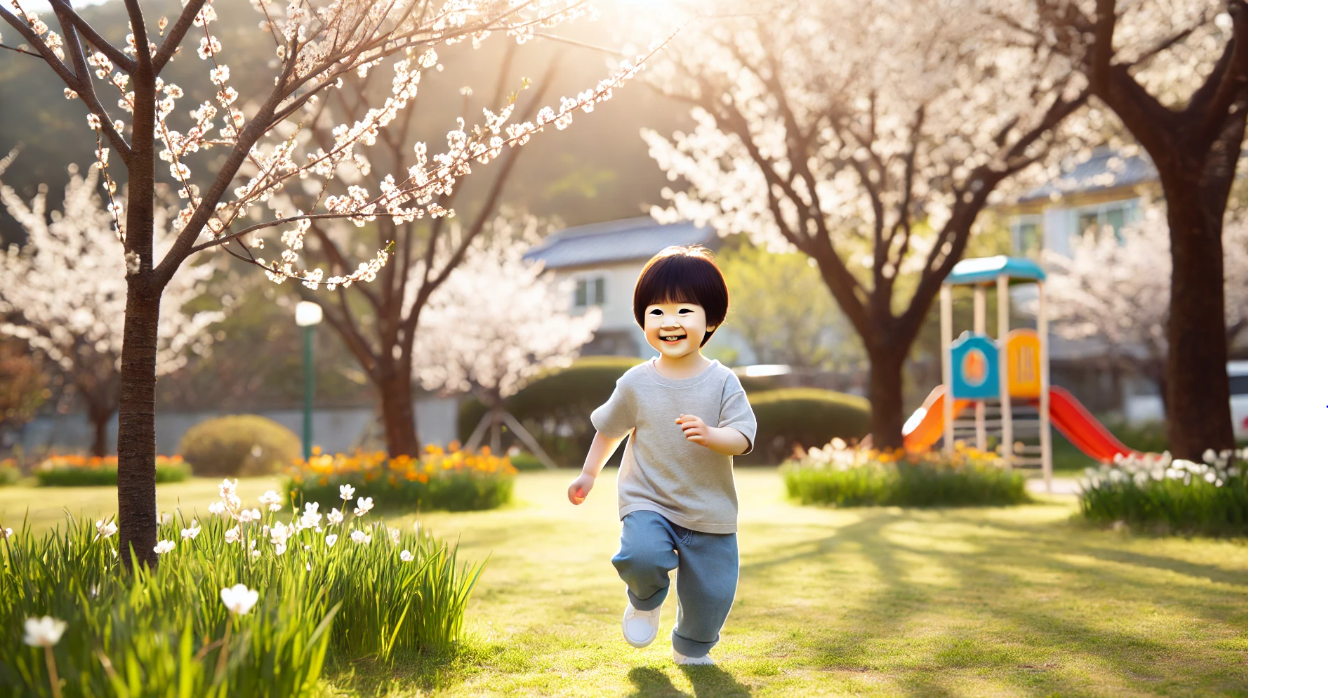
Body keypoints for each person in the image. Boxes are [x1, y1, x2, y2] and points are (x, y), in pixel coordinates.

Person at [566, 244, 757, 666]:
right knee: (640, 555)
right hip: (648, 499)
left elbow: (743, 436)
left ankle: (690, 648)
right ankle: (646, 597)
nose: (670, 322)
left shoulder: (723, 382)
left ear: (711, 320)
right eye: (657, 312)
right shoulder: (636, 382)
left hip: (710, 508)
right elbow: (608, 430)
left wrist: (712, 435)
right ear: (643, 320)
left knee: (712, 594)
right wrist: (588, 476)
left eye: (684, 311)